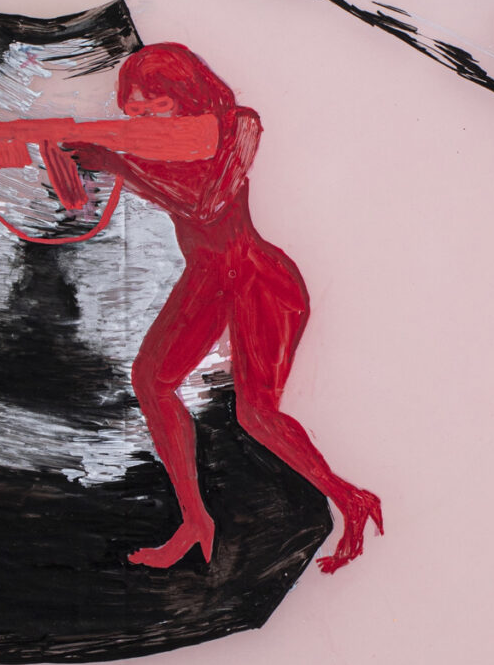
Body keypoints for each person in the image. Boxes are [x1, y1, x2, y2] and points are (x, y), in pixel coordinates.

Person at [27, 41, 380, 573]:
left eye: (157, 104)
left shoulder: (240, 125)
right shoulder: (146, 143)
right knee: (151, 381)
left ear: (187, 91)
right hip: (209, 278)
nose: (146, 118)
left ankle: (352, 499)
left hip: (259, 279)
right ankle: (195, 519)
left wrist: (119, 164)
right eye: (137, 110)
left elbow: (206, 203)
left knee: (256, 414)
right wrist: (52, 154)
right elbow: (80, 205)